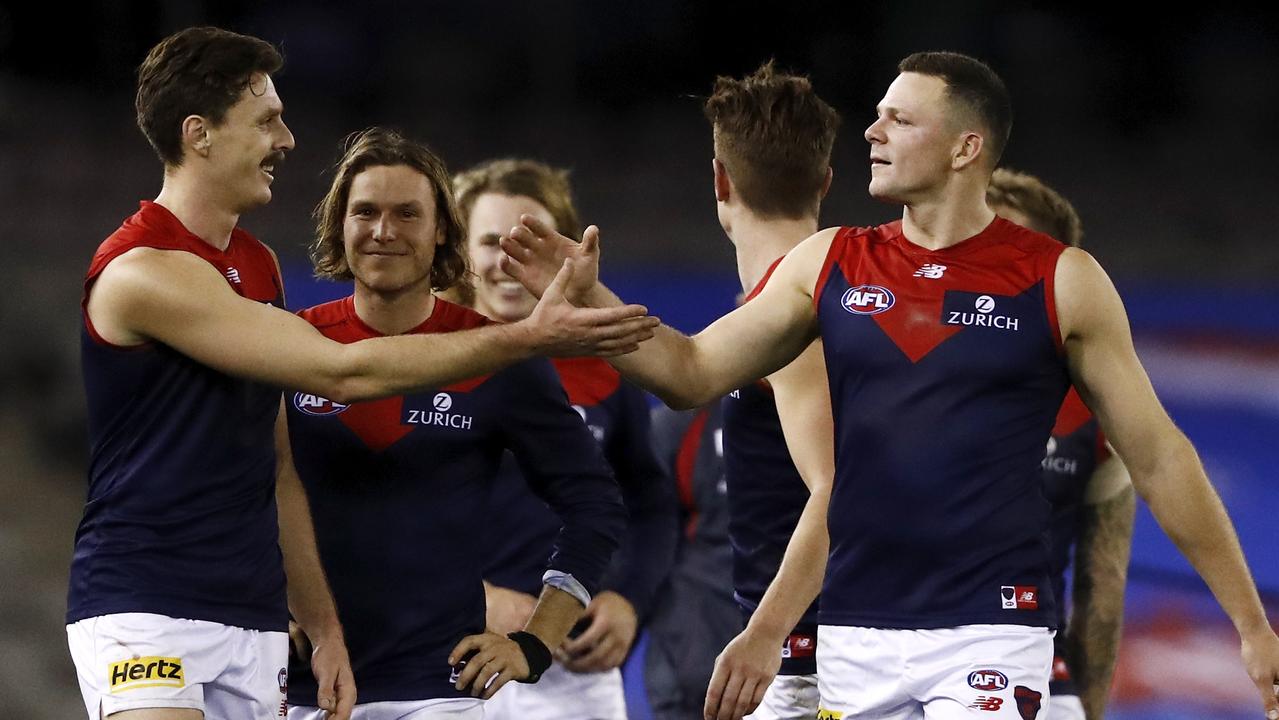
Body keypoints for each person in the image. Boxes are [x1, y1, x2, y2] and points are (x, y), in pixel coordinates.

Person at [499, 50, 1279, 720]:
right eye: (877, 116)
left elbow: (1159, 458)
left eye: (899, 120)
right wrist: (585, 303)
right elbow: (689, 371)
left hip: (989, 630)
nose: (872, 131)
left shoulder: (1060, 280)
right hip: (851, 637)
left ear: (965, 147)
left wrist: (1250, 624)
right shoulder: (828, 262)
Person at [68, 26, 655, 720]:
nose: (286, 140)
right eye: (267, 120)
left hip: (263, 625)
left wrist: (321, 627)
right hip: (148, 598)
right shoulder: (143, 271)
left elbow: (278, 469)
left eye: (408, 213)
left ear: (441, 229)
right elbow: (341, 371)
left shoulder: (255, 268)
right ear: (199, 134)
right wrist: (526, 337)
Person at [283, 127, 627, 719]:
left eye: (407, 214)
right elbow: (239, 487)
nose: (383, 231)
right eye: (364, 212)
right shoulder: (290, 344)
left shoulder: (497, 355)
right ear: (339, 224)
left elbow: (595, 502)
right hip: (299, 689)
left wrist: (536, 643)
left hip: (439, 695)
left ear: (443, 229)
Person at [452, 158, 679, 720]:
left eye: (528, 243)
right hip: (444, 659)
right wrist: (472, 597)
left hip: (572, 672)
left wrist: (629, 602)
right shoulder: (420, 360)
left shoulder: (606, 366)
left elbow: (651, 506)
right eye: (489, 242)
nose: (507, 263)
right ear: (457, 250)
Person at [695, 62, 841, 720]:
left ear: (720, 182)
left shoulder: (794, 313)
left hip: (812, 666)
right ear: (825, 183)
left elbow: (835, 487)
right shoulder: (827, 298)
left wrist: (766, 633)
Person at [987, 169, 1137, 720]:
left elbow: (1104, 588)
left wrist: (1089, 708)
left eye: (1006, 249)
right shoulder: (882, 360)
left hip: (1030, 679)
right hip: (877, 659)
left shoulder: (1096, 415)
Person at [644, 401, 741, 720]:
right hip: (694, 638)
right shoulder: (680, 422)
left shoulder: (826, 407)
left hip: (803, 634)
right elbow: (644, 533)